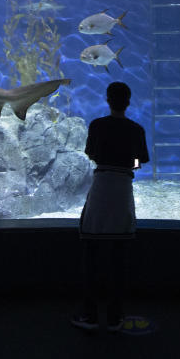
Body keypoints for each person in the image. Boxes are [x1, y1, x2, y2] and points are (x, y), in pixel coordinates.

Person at [71, 81, 150, 333]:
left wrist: (108, 157)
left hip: (102, 184)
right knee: (119, 255)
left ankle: (90, 314)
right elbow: (140, 161)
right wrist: (130, 162)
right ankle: (116, 317)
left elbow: (92, 153)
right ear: (128, 102)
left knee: (91, 252)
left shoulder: (97, 125)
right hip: (123, 187)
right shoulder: (136, 129)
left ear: (108, 100)